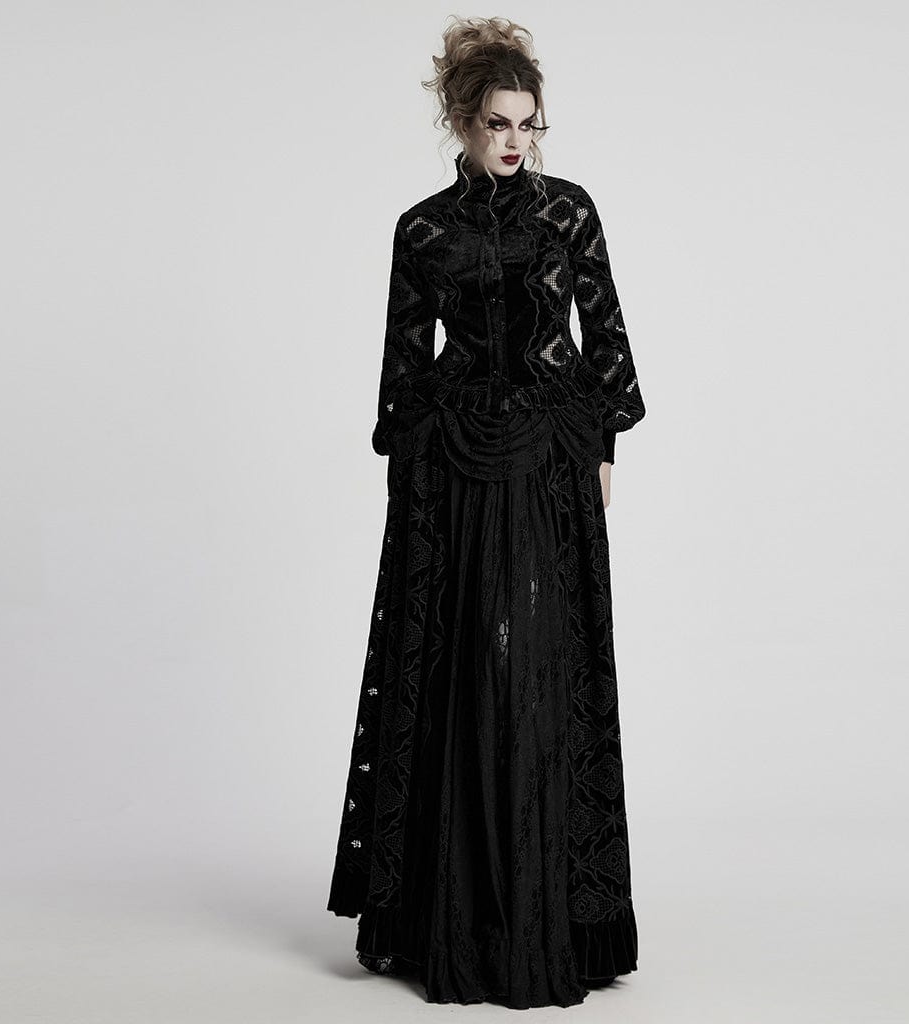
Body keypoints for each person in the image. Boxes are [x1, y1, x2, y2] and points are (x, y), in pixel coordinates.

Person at [325, 15, 647, 1009]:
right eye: (498, 123)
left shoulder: (569, 212)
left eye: (528, 124)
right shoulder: (421, 229)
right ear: (461, 122)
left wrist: (602, 448)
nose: (516, 141)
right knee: (463, 667)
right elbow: (402, 363)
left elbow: (606, 338)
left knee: (541, 667)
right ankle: (447, 914)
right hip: (455, 470)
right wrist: (410, 472)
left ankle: (557, 912)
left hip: (549, 463)